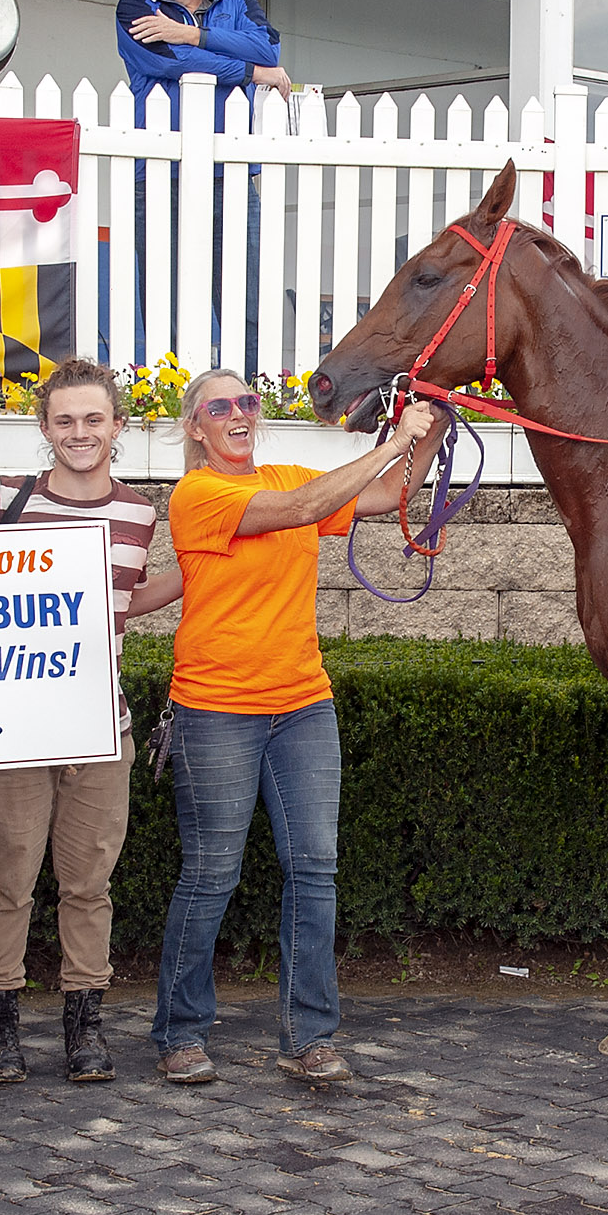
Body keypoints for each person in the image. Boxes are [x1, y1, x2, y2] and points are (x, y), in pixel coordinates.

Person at [152, 372, 443, 1085]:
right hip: (215, 708)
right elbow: (301, 506)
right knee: (211, 875)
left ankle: (308, 1035)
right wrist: (393, 442)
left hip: (303, 704)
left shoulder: (285, 470)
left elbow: (388, 493)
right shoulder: (198, 495)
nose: (237, 413)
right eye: (218, 407)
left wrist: (428, 424)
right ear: (196, 428)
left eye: (246, 402)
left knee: (315, 872)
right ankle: (179, 1032)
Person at [0, 360, 181, 1086]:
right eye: (65, 420)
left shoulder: (139, 513)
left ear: (118, 425)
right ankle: (0, 1027)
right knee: (9, 878)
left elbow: (123, 598)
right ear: (45, 427)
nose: (80, 432)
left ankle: (83, 1027)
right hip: (14, 727)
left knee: (89, 884)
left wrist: (205, 568)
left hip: (100, 725)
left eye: (95, 419)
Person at [117, 0, 291, 371]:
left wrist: (189, 33)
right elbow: (172, 64)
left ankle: (255, 391)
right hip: (157, 178)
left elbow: (269, 48)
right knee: (163, 298)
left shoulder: (239, 2)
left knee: (247, 298)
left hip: (229, 177)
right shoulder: (133, 7)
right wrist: (251, 73)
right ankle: (169, 391)